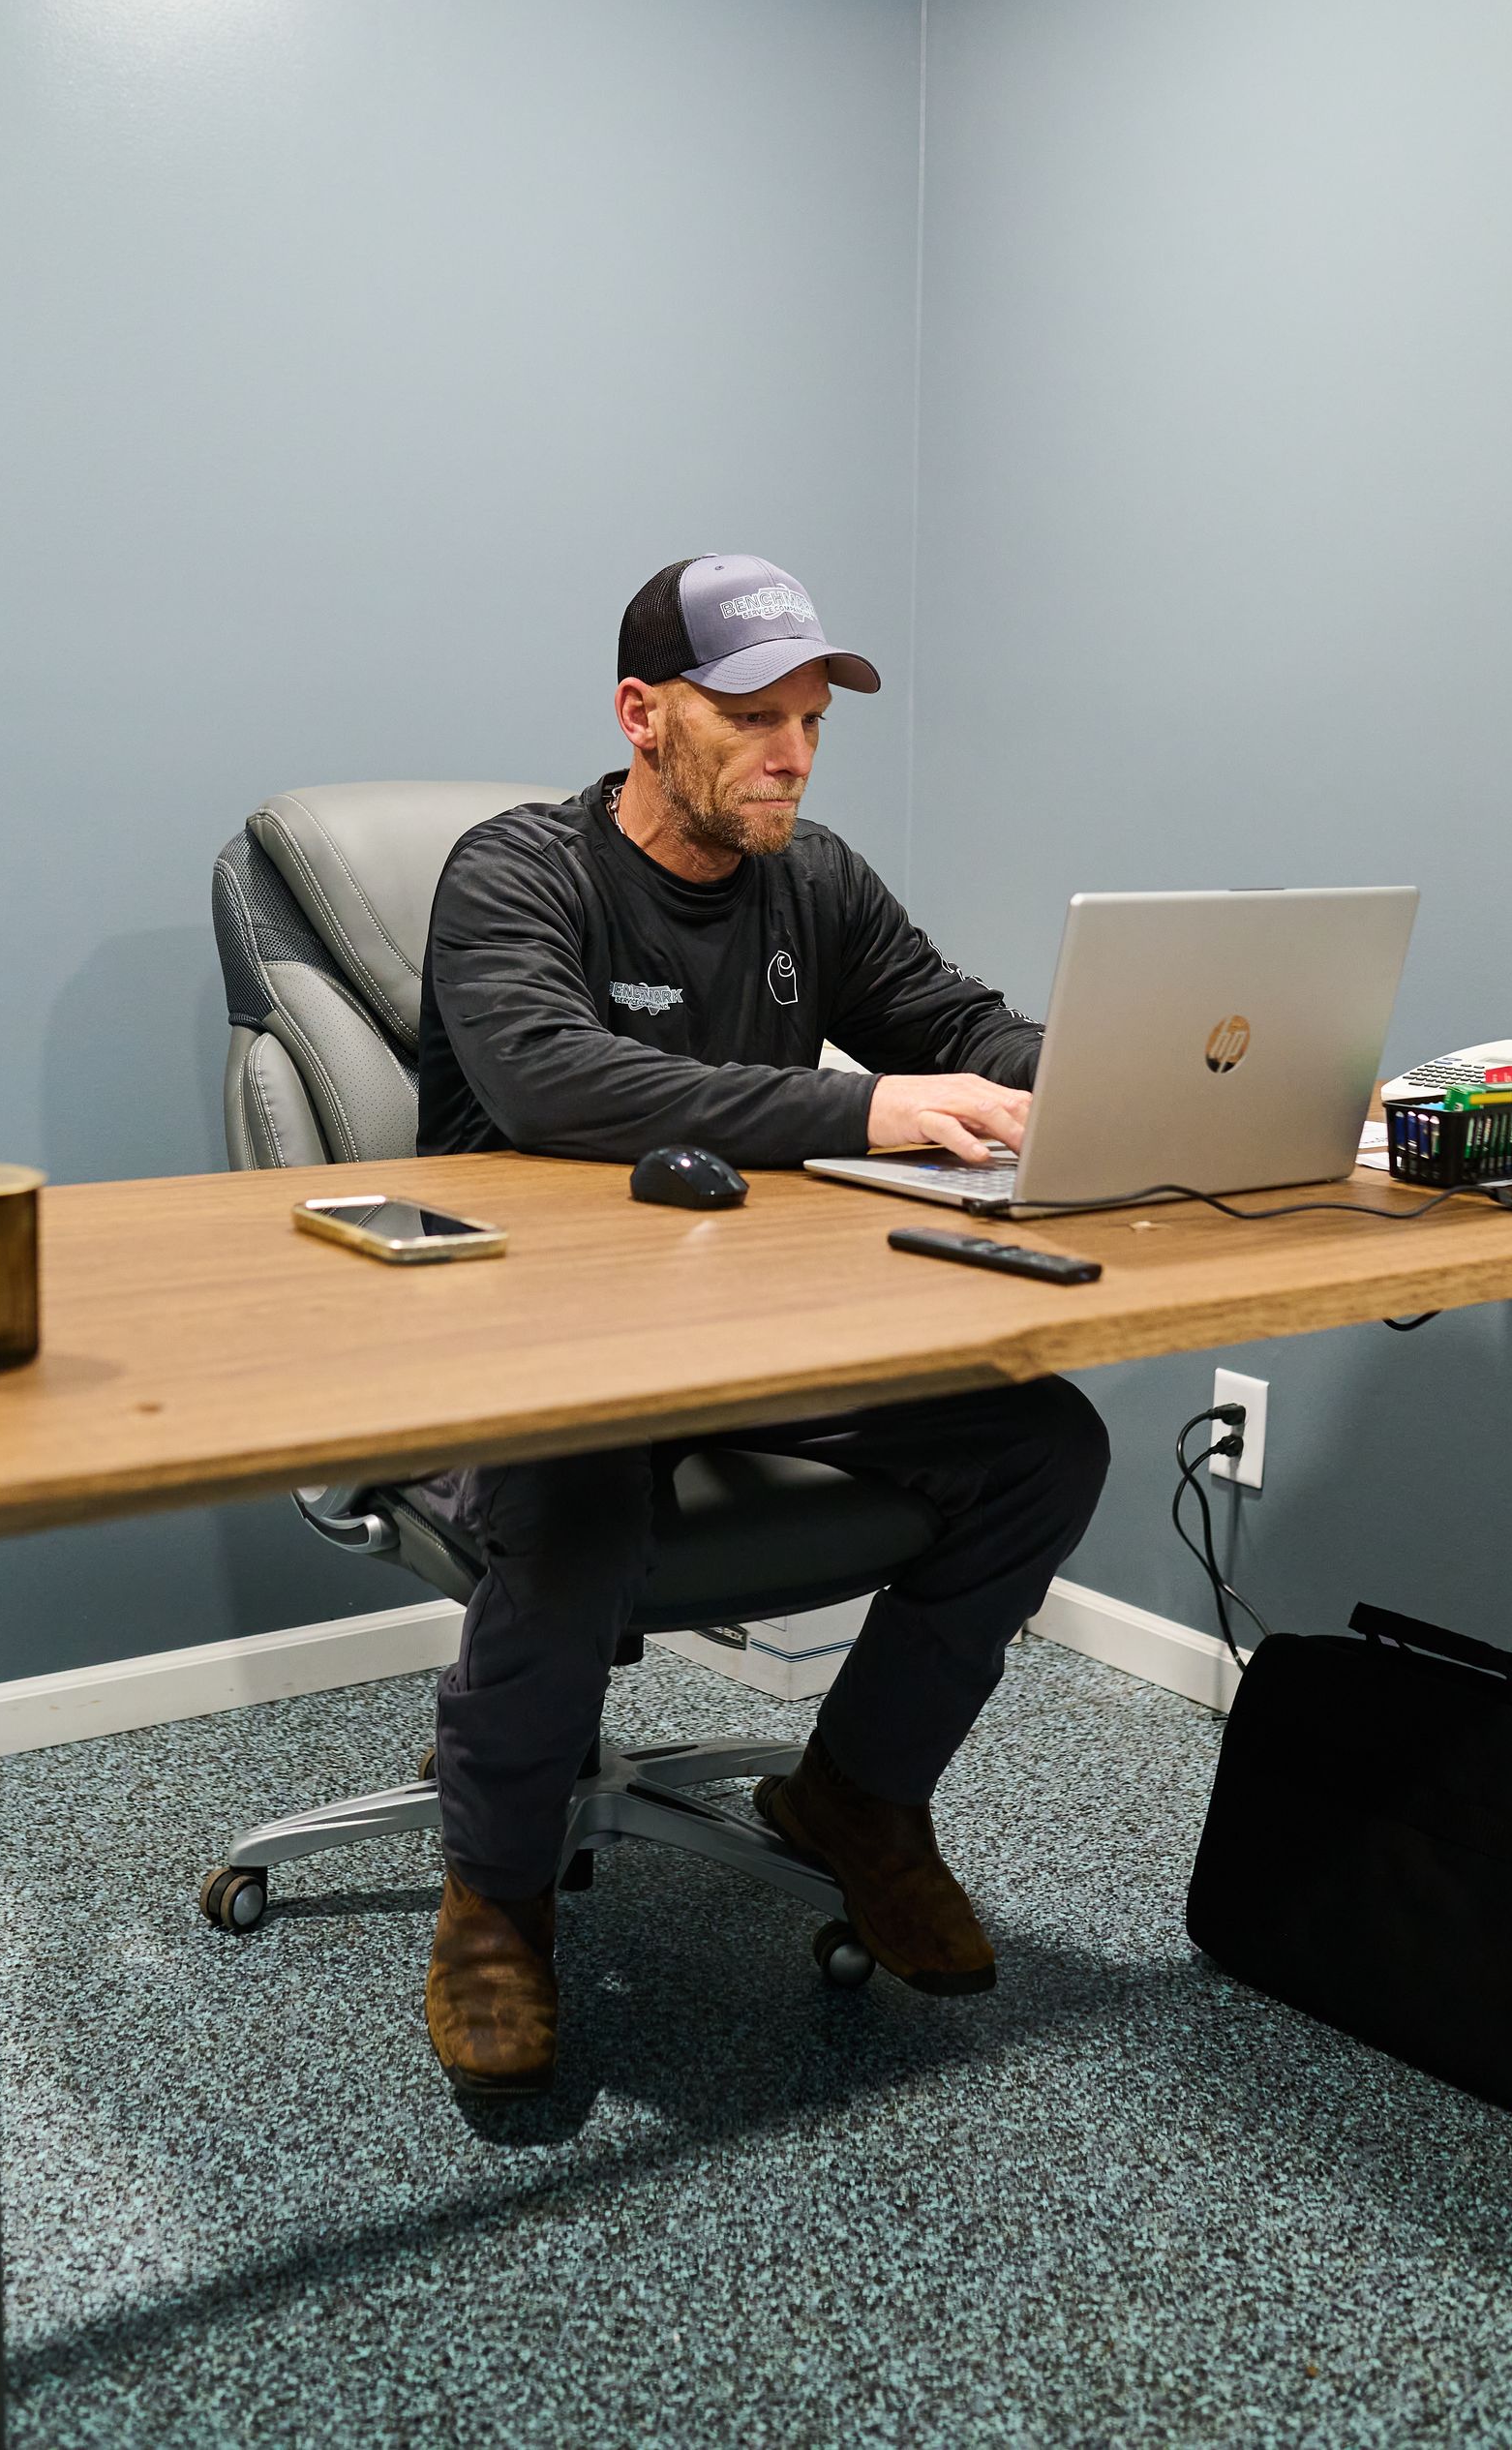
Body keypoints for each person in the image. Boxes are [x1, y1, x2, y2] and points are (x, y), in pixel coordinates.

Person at [414, 554, 1110, 2097]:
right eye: (751, 717)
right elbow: (554, 1081)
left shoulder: (819, 880)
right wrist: (865, 1102)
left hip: (755, 1343)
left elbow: (953, 1022)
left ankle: (856, 1798)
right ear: (642, 715)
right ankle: (496, 1898)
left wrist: (1101, 1068)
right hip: (530, 1348)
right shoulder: (515, 875)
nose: (791, 751)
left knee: (1041, 1446)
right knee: (577, 1508)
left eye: (810, 717)